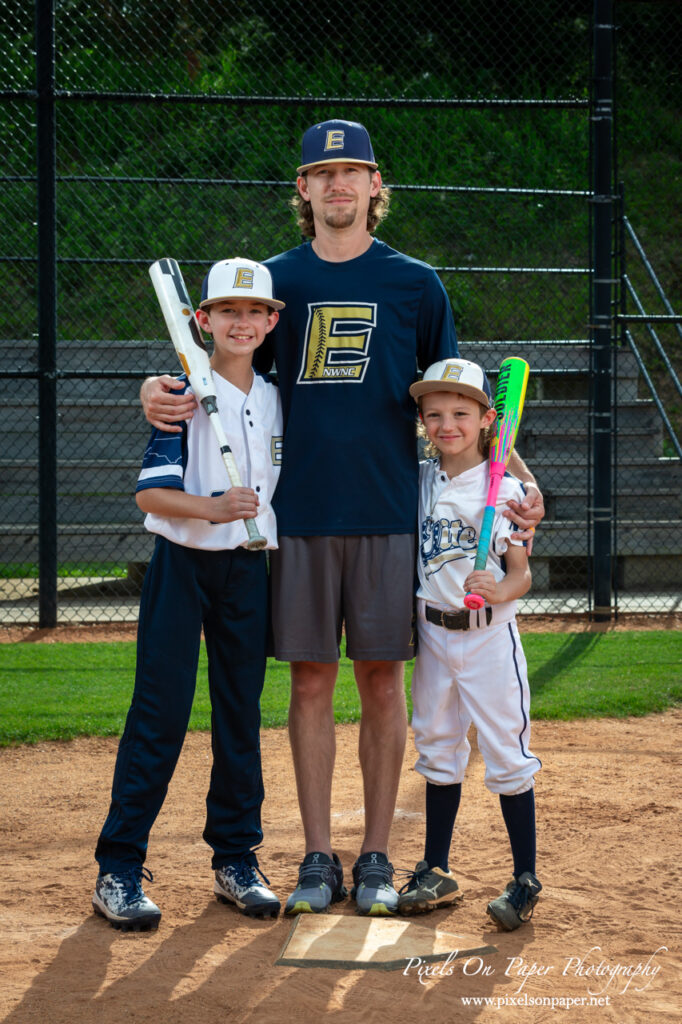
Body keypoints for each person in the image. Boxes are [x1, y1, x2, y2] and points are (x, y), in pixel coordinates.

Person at [139, 120, 545, 918]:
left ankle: (376, 857)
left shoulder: (416, 284)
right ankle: (318, 855)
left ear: (373, 185)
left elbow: (457, 403)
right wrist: (155, 390)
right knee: (312, 681)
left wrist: (524, 483)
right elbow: (219, 366)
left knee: (383, 680)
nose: (336, 186)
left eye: (351, 172)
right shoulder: (274, 285)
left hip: (392, 512)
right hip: (300, 517)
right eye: (321, 173)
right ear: (302, 188)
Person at [93, 258, 284, 930]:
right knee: (161, 713)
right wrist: (213, 507)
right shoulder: (181, 392)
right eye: (225, 310)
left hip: (248, 571)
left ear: (271, 321)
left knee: (241, 716)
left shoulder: (276, 394)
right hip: (182, 563)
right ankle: (118, 866)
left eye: (253, 310)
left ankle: (235, 857)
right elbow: (150, 494)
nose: (240, 321)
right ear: (200, 320)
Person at [397, 357, 542, 930]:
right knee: (437, 747)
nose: (446, 424)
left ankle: (525, 878)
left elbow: (522, 575)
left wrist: (500, 584)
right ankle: (436, 867)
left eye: (461, 412)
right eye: (434, 414)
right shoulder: (421, 479)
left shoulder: (505, 489)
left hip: (488, 640)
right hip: (432, 633)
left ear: (488, 419)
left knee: (507, 753)